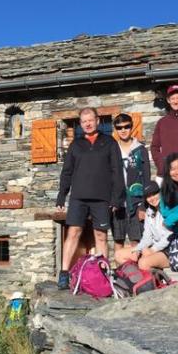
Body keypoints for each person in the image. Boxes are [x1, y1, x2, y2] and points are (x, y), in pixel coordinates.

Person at [56, 107, 124, 290]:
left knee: (101, 236)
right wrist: (62, 195)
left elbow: (117, 172)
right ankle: (63, 273)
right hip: (79, 197)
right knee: (73, 233)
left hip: (102, 198)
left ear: (98, 121)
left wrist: (117, 198)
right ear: (80, 124)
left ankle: (104, 274)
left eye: (90, 120)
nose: (87, 123)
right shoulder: (75, 145)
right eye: (84, 121)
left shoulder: (109, 142)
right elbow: (67, 172)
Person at [111, 113, 151, 253]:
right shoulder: (112, 149)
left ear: (131, 127)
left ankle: (138, 273)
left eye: (126, 127)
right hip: (118, 203)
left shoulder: (140, 150)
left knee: (136, 240)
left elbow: (146, 179)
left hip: (136, 201)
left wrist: (143, 206)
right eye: (119, 127)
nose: (123, 130)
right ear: (115, 129)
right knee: (118, 239)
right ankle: (119, 272)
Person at [114, 183, 174, 271]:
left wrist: (153, 250)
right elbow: (147, 237)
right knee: (119, 254)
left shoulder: (169, 208)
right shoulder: (149, 212)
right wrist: (138, 250)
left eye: (154, 194)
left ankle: (153, 280)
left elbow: (169, 236)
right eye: (148, 196)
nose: (152, 198)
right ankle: (139, 279)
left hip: (169, 250)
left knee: (143, 262)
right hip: (153, 247)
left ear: (160, 193)